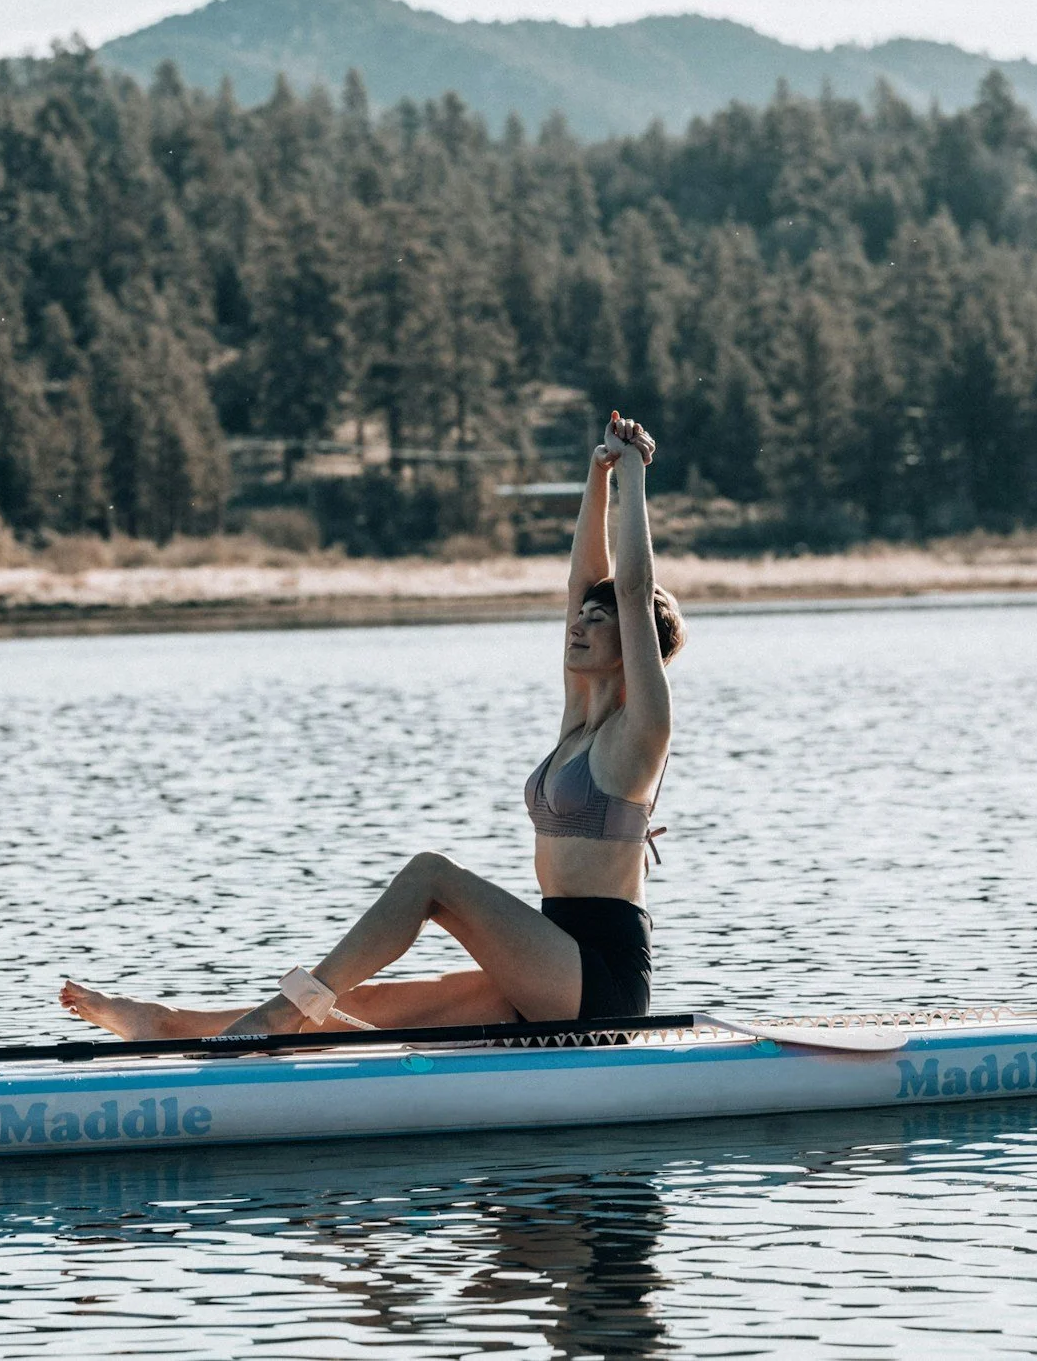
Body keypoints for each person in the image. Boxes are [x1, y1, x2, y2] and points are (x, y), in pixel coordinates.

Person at [60, 410, 686, 1039]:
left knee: (430, 875)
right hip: (549, 957)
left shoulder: (640, 734)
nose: (579, 624)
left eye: (597, 620)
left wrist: (633, 472)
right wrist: (596, 473)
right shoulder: (577, 723)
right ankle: (169, 1024)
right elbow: (586, 581)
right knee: (382, 1007)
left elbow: (631, 588)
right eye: (581, 616)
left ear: (634, 646)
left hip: (600, 980)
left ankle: (281, 1012)